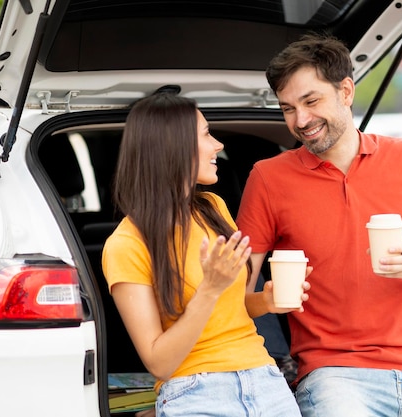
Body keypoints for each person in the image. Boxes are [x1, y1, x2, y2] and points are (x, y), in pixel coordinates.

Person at [236, 33, 402, 417]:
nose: (301, 120)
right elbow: (235, 295)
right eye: (287, 108)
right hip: (333, 376)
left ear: (346, 91)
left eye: (311, 101)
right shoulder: (268, 178)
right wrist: (266, 300)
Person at [101, 92, 302, 417]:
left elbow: (231, 309)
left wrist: (265, 303)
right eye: (206, 133)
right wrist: (209, 289)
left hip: (266, 381)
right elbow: (159, 363)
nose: (217, 145)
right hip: (197, 392)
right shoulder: (126, 244)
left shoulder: (213, 207)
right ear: (173, 147)